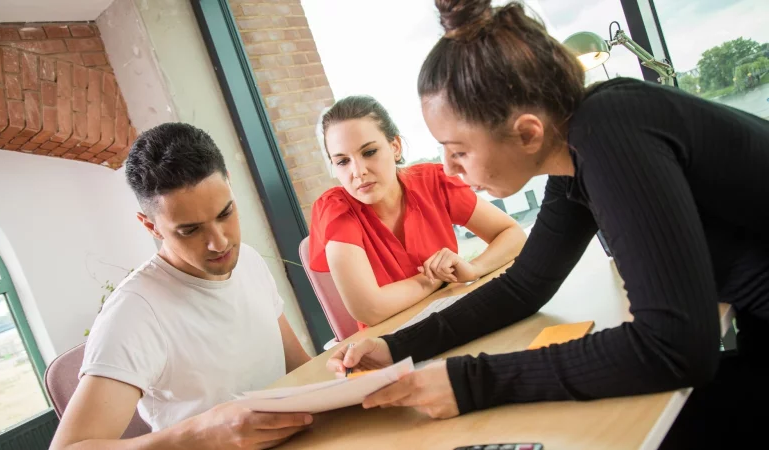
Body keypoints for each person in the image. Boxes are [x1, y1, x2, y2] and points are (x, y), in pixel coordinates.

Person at [327, 1, 769, 447]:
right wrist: (395, 347)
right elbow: (526, 286)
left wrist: (470, 382)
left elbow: (673, 347)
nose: (449, 169)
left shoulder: (610, 135)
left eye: (458, 150)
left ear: (527, 133)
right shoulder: (575, 150)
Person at [51, 123, 314, 449]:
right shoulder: (134, 313)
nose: (219, 243)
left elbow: (298, 366)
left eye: (225, 213)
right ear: (151, 226)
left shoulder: (246, 259)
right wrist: (199, 434)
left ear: (230, 184)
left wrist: (347, 372)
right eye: (190, 230)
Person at [309, 95, 526, 328]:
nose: (358, 171)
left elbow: (513, 234)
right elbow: (370, 310)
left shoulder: (433, 182)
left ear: (395, 147)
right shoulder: (335, 210)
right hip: (393, 343)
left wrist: (474, 268)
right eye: (342, 162)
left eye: (369, 152)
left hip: (457, 318)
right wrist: (435, 278)